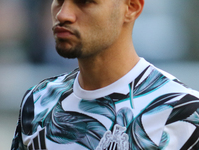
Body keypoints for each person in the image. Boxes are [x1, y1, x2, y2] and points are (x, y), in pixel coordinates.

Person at [11, 0, 199, 149]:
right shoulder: (38, 101)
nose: (63, 14)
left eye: (84, 2)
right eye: (59, 1)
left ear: (132, 7)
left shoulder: (182, 112)